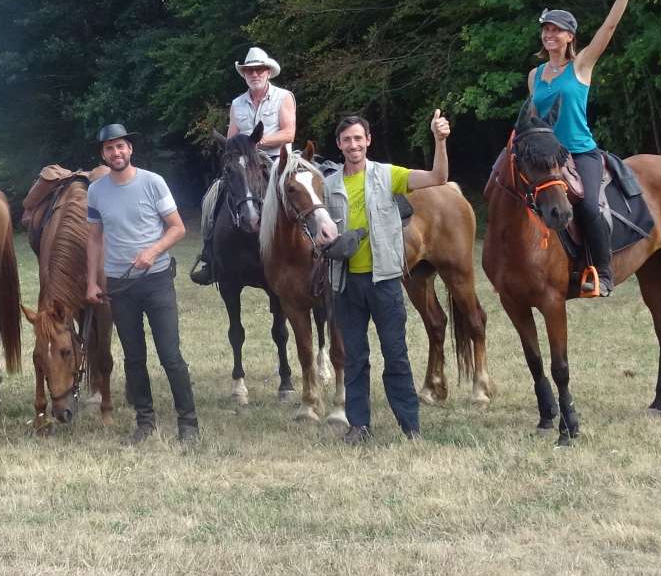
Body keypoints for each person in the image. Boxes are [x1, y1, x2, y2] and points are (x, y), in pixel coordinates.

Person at [319, 111, 451, 444]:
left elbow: (438, 176)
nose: (353, 145)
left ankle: (410, 426)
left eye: (358, 138)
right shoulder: (328, 186)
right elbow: (316, 229)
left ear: (368, 140)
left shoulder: (387, 175)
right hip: (345, 284)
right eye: (347, 140)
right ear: (339, 145)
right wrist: (324, 242)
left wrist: (439, 141)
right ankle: (359, 426)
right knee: (354, 358)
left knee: (395, 355)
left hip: (385, 281)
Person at [531, 0, 644, 297]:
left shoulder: (581, 66)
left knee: (591, 208)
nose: (549, 34)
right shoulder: (535, 75)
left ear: (570, 37)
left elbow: (608, 28)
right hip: (548, 158)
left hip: (581, 153)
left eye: (556, 30)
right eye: (546, 29)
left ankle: (603, 274)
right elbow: (534, 121)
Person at [84, 123, 197, 445]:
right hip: (120, 286)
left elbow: (177, 228)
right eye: (109, 148)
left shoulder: (153, 182)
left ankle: (188, 423)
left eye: (120, 146)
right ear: (103, 155)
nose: (116, 152)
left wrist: (152, 251)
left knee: (170, 355)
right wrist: (92, 282)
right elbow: (94, 239)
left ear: (130, 149)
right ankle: (144, 422)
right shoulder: (96, 191)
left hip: (157, 280)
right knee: (134, 358)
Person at [191, 46, 296, 286]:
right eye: (249, 70)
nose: (254, 74)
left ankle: (312, 250)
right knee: (212, 195)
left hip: (276, 160)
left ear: (268, 71)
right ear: (244, 74)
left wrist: (255, 144)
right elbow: (231, 138)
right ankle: (210, 255)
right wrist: (233, 150)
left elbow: (289, 133)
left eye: (259, 69)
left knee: (300, 193)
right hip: (243, 162)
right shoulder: (237, 104)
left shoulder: (284, 97)